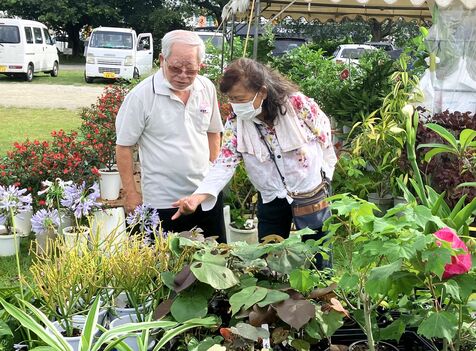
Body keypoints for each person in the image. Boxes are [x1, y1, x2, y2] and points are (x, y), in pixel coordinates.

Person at [172, 57, 337, 241]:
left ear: (262, 92)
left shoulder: (296, 104)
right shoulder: (236, 122)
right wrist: (197, 197)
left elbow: (323, 134)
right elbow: (225, 163)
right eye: (231, 99)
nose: (235, 105)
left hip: (310, 191)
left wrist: (325, 172)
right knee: (268, 256)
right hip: (271, 195)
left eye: (240, 99)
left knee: (319, 249)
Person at [115, 30, 225, 241]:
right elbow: (124, 146)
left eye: (191, 70)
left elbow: (213, 131)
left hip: (205, 196)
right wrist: (131, 193)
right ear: (162, 59)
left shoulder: (206, 87)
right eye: (175, 68)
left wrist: (213, 174)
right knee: (164, 267)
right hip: (162, 201)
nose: (183, 76)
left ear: (200, 66)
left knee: (214, 262)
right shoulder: (141, 96)